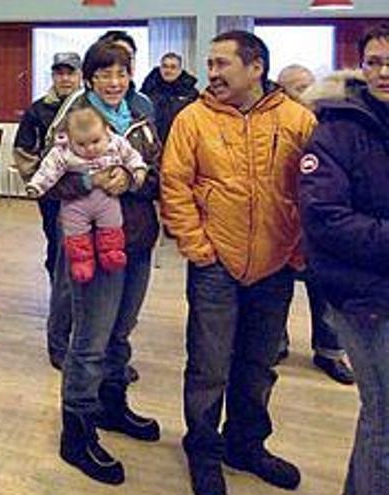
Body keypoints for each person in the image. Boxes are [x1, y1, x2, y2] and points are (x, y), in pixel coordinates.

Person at [161, 30, 317, 495]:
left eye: (222, 63)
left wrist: (297, 249)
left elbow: (314, 189)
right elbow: (175, 185)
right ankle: (204, 449)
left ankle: (246, 444)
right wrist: (198, 247)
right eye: (209, 63)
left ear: (256, 68)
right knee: (209, 365)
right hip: (214, 264)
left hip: (276, 264)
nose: (212, 72)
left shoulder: (298, 120)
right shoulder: (192, 119)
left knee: (257, 363)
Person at [44, 41, 162, 487]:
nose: (114, 82)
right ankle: (76, 433)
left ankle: (113, 407)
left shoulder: (143, 110)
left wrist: (134, 178)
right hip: (92, 243)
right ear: (90, 77)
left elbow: (158, 170)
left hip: (138, 238)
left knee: (120, 332)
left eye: (122, 73)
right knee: (90, 341)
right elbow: (48, 177)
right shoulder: (75, 114)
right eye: (105, 74)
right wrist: (93, 178)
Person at [299, 23, 389, 495]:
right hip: (360, 296)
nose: (383, 71)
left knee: (381, 413)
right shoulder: (336, 129)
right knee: (386, 418)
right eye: (373, 61)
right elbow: (326, 219)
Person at [276, 63, 355, 385]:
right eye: (298, 87)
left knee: (325, 295)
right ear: (282, 93)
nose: (307, 93)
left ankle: (330, 352)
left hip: (324, 229)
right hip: (284, 226)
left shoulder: (334, 124)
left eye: (310, 84)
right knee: (276, 292)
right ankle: (276, 344)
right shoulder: (276, 126)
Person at [26, 102, 148, 283]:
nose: (90, 149)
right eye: (81, 144)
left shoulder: (116, 143)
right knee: (76, 232)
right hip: (76, 203)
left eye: (96, 141)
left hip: (107, 199)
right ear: (70, 138)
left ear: (106, 131)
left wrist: (137, 170)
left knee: (112, 224)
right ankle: (82, 261)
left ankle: (111, 252)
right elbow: (48, 170)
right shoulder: (63, 152)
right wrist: (37, 185)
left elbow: (132, 156)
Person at [14, 52, 83, 282]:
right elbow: (23, 150)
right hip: (52, 195)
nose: (65, 79)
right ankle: (58, 299)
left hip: (85, 191)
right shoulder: (37, 110)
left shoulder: (91, 106)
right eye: (60, 73)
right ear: (53, 76)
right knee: (55, 242)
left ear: (80, 75)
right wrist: (41, 184)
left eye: (70, 73)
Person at [141, 52, 199, 143]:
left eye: (173, 67)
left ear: (180, 70)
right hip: (153, 143)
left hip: (180, 142)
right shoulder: (148, 90)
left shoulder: (191, 94)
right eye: (165, 66)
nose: (168, 70)